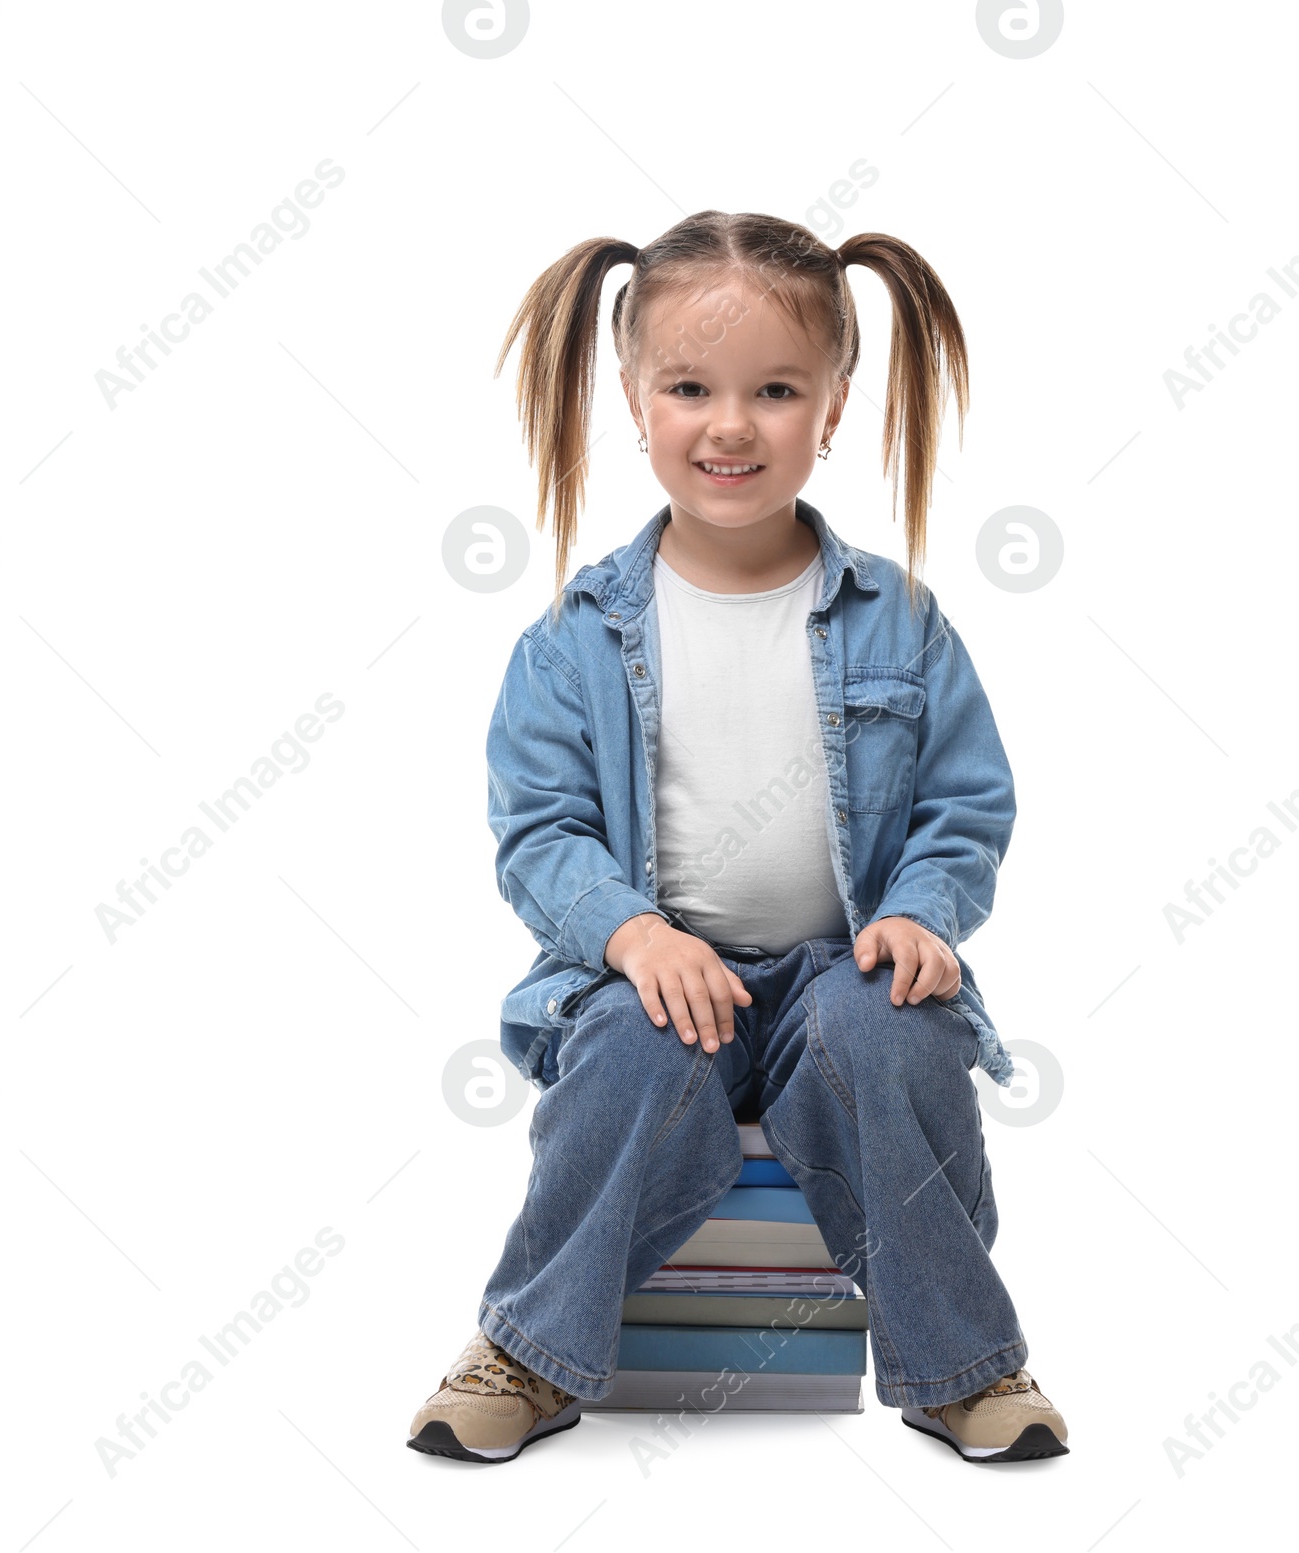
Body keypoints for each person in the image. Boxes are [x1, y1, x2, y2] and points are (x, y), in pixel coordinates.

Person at [407, 211, 1069, 1467]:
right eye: (691, 387)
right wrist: (630, 930)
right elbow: (537, 830)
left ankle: (962, 1365)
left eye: (775, 389)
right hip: (665, 972)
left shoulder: (901, 623)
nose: (730, 425)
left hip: (840, 970)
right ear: (632, 398)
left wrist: (923, 909)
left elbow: (962, 802)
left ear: (832, 408)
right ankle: (530, 1346)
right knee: (620, 1067)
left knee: (898, 1046)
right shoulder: (577, 634)